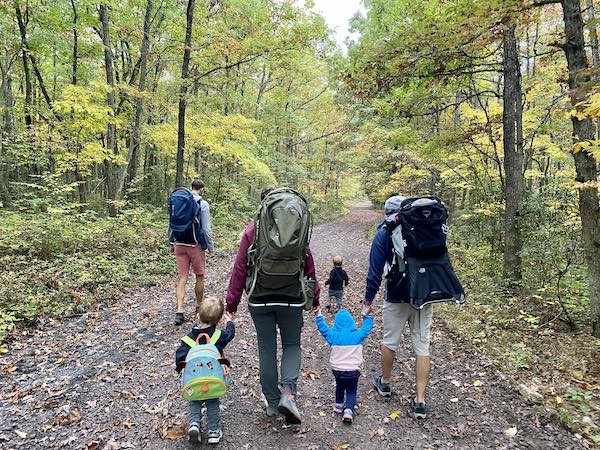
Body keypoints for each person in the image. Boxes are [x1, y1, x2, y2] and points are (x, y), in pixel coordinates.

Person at [225, 187, 320, 425]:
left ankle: (271, 402)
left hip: (260, 297)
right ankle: (288, 393)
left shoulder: (252, 230)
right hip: (292, 298)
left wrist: (231, 304)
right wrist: (315, 298)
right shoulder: (297, 230)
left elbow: (240, 268)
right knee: (291, 344)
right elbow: (308, 266)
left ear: (263, 206)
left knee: (266, 348)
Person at [362, 194, 434, 420]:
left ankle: (385, 383)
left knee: (389, 340)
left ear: (387, 212)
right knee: (422, 346)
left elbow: (375, 272)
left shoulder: (385, 231)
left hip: (397, 293)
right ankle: (420, 401)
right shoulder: (425, 227)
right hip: (424, 294)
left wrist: (367, 302)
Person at [175, 296, 235, 444]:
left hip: (193, 378)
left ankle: (194, 424)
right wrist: (230, 323)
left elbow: (180, 359)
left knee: (194, 400)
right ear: (218, 319)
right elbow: (230, 335)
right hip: (213, 378)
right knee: (212, 401)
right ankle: (214, 432)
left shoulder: (188, 339)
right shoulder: (218, 336)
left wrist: (182, 373)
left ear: (197, 315)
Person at [315, 307, 373, 424]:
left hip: (338, 370)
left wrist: (318, 315)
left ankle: (338, 405)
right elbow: (366, 329)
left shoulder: (333, 336)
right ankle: (348, 411)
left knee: (340, 386)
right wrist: (369, 317)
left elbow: (323, 329)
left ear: (336, 323)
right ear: (351, 323)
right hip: (353, 371)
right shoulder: (357, 335)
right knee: (352, 390)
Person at [171, 179, 214, 325]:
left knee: (183, 277)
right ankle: (199, 307)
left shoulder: (179, 201)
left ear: (192, 188)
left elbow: (171, 224)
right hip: (195, 245)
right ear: (201, 189)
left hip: (179, 243)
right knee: (199, 276)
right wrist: (210, 246)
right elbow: (206, 229)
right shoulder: (202, 204)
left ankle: (179, 311)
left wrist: (172, 242)